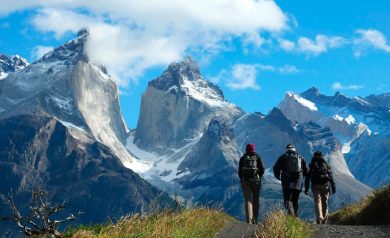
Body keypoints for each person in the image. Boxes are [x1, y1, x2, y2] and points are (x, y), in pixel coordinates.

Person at [273, 144, 308, 217]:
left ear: (286, 149)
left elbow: (275, 168)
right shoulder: (300, 158)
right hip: (298, 182)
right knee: (295, 200)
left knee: (287, 199)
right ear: (294, 149)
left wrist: (278, 177)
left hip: (286, 181)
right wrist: (301, 177)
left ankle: (291, 216)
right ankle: (295, 217)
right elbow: (306, 170)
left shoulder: (283, 157)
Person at [305, 151, 336, 224]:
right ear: (322, 156)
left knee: (317, 201)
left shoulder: (311, 165)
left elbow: (307, 178)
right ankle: (325, 219)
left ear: (314, 156)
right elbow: (331, 177)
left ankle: (319, 218)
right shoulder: (326, 164)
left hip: (315, 185)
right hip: (325, 185)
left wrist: (306, 189)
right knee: (325, 202)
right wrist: (333, 187)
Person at [238, 143, 265, 224]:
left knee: (248, 200)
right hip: (256, 181)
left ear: (246, 149)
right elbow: (262, 169)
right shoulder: (257, 156)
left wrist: (242, 180)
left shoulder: (243, 157)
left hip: (246, 181)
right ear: (253, 149)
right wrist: (258, 177)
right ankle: (255, 220)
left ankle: (249, 221)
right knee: (256, 200)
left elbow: (239, 171)